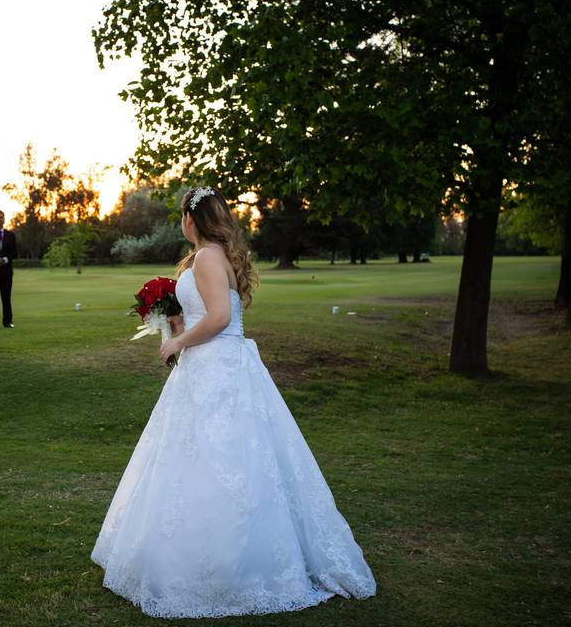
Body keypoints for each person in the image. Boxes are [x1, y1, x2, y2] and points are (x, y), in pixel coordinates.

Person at [91, 187, 376, 618]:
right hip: (214, 365)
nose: (181, 225)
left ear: (192, 218)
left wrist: (177, 343)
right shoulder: (211, 254)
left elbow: (221, 319)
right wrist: (174, 321)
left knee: (217, 460)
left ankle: (224, 567)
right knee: (208, 459)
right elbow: (211, 313)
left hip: (216, 368)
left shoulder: (207, 257)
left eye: (182, 217)